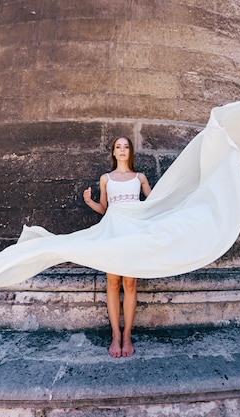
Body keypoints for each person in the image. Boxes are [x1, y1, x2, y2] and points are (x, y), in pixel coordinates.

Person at [83, 136, 152, 358]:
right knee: (113, 283)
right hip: (112, 234)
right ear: (113, 152)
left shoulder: (139, 177)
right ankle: (115, 334)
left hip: (133, 235)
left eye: (126, 147)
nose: (122, 151)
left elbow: (154, 203)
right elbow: (105, 208)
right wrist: (89, 202)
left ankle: (127, 334)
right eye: (118, 147)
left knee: (130, 283)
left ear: (130, 152)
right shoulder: (106, 179)